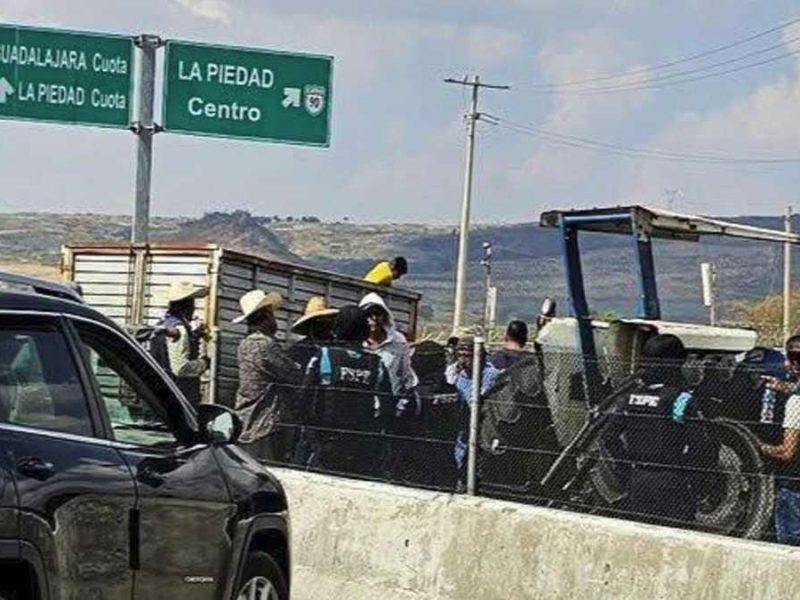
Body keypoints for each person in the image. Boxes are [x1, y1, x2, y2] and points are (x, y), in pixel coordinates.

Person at [613, 334, 711, 528]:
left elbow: (609, 436)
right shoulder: (680, 399)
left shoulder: (631, 397)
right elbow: (699, 444)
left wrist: (624, 467)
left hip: (638, 478)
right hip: (673, 479)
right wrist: (693, 474)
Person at [303, 305, 392, 476]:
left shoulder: (324, 355)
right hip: (362, 446)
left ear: (337, 329)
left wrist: (310, 435)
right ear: (365, 331)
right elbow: (387, 405)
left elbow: (303, 398)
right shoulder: (376, 363)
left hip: (325, 442)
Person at [233, 289, 303, 461]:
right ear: (265, 315)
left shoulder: (244, 343)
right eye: (271, 314)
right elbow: (293, 374)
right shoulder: (265, 345)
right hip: (263, 423)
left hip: (246, 419)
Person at [761, 335, 800, 546]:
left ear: (795, 364)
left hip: (794, 487)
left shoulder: (795, 404)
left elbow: (788, 451)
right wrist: (783, 387)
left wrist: (761, 448)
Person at [445, 336, 500, 483]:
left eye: (467, 356)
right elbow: (448, 387)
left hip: (481, 421)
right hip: (459, 419)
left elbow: (481, 396)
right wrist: (455, 372)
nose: (463, 360)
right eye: (460, 355)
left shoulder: (490, 374)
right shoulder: (455, 371)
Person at [158, 280, 210, 406]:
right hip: (179, 396)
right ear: (187, 306)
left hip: (161, 392)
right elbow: (181, 368)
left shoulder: (162, 325)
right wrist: (204, 363)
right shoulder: (180, 329)